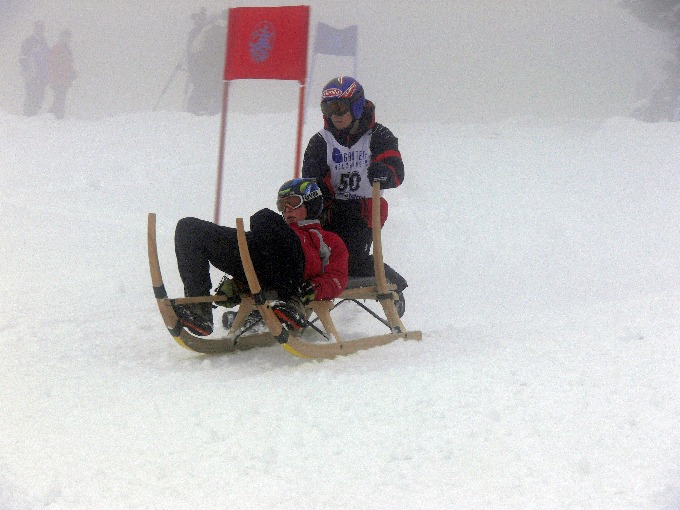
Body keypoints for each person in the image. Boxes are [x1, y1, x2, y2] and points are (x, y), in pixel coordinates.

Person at [173, 178, 349, 336]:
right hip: (264, 260)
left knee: (263, 217)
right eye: (282, 205)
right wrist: (238, 284)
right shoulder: (274, 231)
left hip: (293, 273)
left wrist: (314, 288)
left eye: (293, 202)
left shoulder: (328, 239)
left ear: (311, 204)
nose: (287, 209)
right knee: (188, 229)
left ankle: (291, 303)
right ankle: (199, 310)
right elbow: (262, 260)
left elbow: (338, 277)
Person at [301, 76, 408, 316]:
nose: (334, 115)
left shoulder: (378, 136)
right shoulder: (320, 142)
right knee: (302, 247)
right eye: (328, 109)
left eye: (339, 108)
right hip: (329, 210)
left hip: (364, 212)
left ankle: (391, 281)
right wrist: (318, 188)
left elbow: (396, 173)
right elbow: (310, 180)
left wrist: (384, 172)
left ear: (357, 106)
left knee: (341, 261)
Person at [19, 21, 50, 116]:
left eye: (41, 28)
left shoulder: (44, 43)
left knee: (40, 96)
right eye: (38, 28)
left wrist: (47, 74)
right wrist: (27, 71)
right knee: (31, 94)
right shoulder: (28, 41)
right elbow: (23, 57)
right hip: (31, 74)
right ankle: (27, 115)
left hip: (42, 75)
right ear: (35, 29)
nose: (40, 30)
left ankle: (34, 115)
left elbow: (47, 59)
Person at [48, 29, 76, 120]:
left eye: (68, 37)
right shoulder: (57, 49)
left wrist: (72, 73)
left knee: (60, 99)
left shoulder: (67, 50)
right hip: (58, 79)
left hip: (64, 79)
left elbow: (69, 64)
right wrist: (61, 73)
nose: (67, 39)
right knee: (59, 99)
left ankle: (56, 117)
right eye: (65, 37)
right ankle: (53, 117)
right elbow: (53, 63)